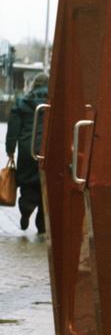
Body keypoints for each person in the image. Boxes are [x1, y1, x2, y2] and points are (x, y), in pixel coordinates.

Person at [5, 73, 48, 233]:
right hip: (48, 150)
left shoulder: (22, 103)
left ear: (34, 85)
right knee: (46, 187)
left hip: (26, 150)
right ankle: (42, 224)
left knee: (28, 185)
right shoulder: (55, 103)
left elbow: (13, 129)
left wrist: (10, 150)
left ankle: (25, 211)